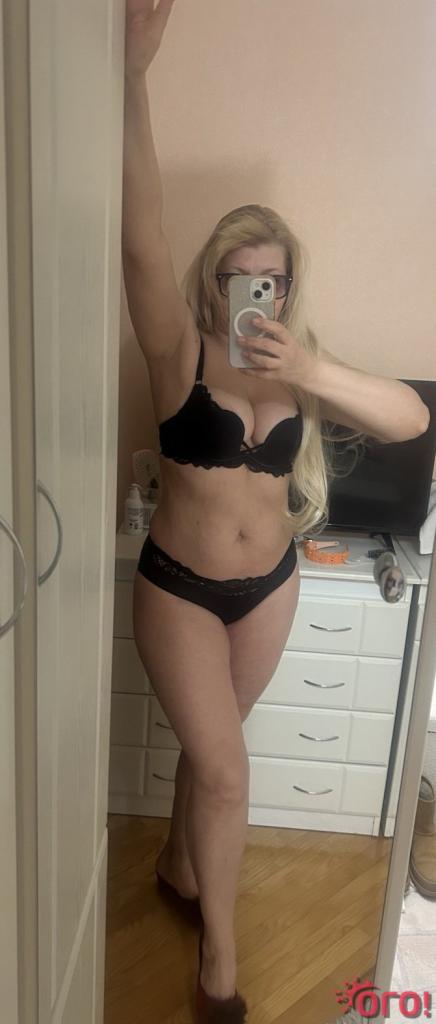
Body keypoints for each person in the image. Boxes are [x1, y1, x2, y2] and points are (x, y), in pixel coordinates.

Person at [122, 2, 430, 1020]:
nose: (258, 294)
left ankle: (178, 867)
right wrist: (132, 79)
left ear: (290, 289)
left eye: (275, 281)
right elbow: (139, 240)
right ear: (213, 285)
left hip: (270, 587)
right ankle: (219, 966)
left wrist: (310, 366)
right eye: (240, 278)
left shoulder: (303, 362)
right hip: (180, 588)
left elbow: (409, 420)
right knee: (225, 770)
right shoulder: (176, 350)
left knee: (213, 758)